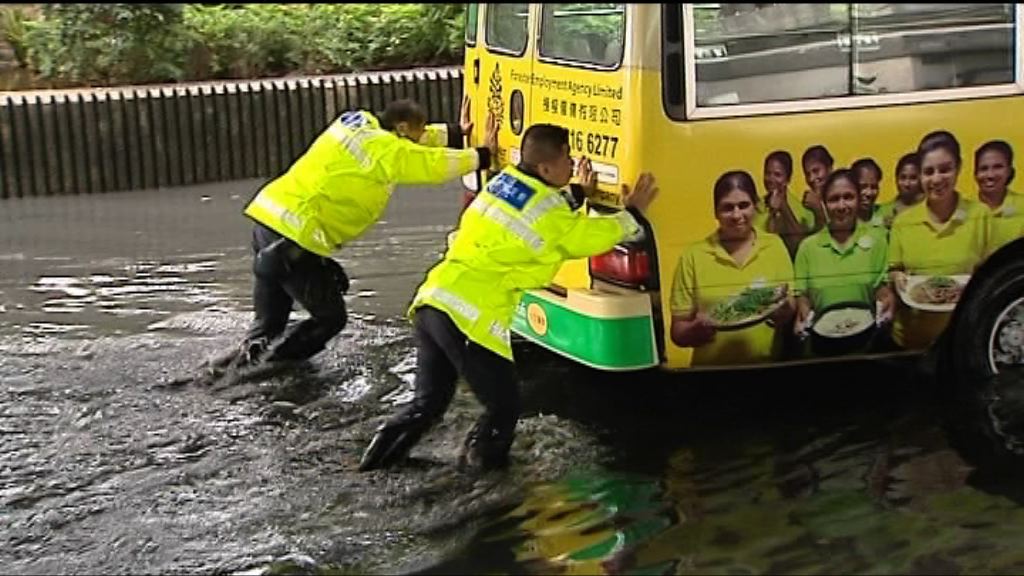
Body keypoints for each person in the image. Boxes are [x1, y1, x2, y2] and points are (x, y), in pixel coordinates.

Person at [358, 124, 659, 472]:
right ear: (545, 168)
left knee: (428, 404)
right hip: (468, 318)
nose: (573, 164)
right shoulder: (550, 217)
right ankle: (481, 481)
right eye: (567, 158)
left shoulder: (505, 183)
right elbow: (585, 237)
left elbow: (536, 210)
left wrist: (577, 192)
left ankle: (371, 465)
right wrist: (632, 214)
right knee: (504, 407)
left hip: (433, 301)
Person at [204, 97, 499, 379]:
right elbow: (429, 164)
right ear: (401, 128)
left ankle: (227, 370)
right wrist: (482, 155)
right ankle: (273, 371)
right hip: (294, 239)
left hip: (269, 223)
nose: (420, 137)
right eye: (417, 132)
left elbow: (412, 146)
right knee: (330, 319)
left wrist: (454, 133)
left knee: (268, 326)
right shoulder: (387, 150)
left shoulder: (356, 123)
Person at [669, 170, 795, 366]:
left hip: (767, 369)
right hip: (711, 373)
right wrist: (695, 329)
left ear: (756, 206)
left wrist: (784, 311)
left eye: (744, 205)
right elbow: (677, 332)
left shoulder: (774, 246)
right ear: (715, 213)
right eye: (727, 208)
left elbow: (790, 305)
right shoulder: (693, 256)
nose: (737, 215)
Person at [888, 131, 991, 350]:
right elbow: (894, 269)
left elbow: (990, 274)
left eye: (945, 169)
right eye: (928, 172)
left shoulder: (980, 214)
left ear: (958, 168)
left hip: (963, 338)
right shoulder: (903, 222)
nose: (936, 179)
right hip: (911, 340)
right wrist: (896, 277)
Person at [792, 169, 895, 347]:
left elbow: (881, 287)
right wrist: (803, 313)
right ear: (824, 203)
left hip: (868, 340)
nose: (841, 206)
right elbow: (802, 295)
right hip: (822, 341)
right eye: (834, 199)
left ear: (858, 199)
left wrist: (886, 301)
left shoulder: (877, 241)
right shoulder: (807, 248)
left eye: (848, 197)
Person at [756, 150, 817, 258]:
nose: (771, 179)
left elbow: (802, 245)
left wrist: (783, 207)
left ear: (788, 179)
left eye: (777, 174)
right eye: (767, 173)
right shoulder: (756, 207)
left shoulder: (802, 209)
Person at [973, 140, 1023, 251]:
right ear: (975, 174)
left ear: (1009, 171)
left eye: (998, 167)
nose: (990, 175)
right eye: (983, 168)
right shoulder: (962, 208)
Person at [878, 152, 923, 227]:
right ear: (896, 179)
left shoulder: (931, 209)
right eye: (903, 178)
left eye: (913, 178)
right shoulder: (884, 211)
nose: (907, 184)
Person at [800, 144, 834, 232]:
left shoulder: (844, 196)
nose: (811, 179)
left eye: (816, 171)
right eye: (807, 174)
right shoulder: (808, 205)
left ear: (829, 168)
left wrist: (818, 209)